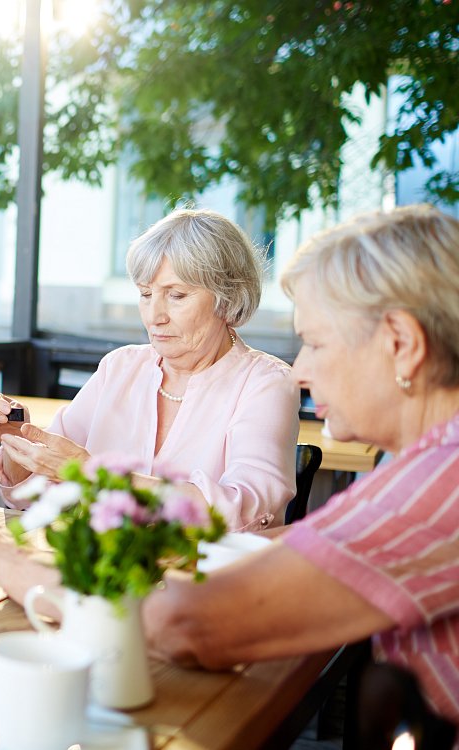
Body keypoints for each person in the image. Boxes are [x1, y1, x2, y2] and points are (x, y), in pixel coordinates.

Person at [142, 204, 459, 738]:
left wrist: (31, 578)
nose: (302, 370)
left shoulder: (441, 478)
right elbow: (325, 538)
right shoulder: (427, 460)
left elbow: (189, 625)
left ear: (401, 345)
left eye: (315, 341)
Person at [0, 207, 299, 602]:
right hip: (93, 588)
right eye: (146, 294)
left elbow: (247, 515)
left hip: (205, 600)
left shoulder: (265, 383)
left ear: (227, 298)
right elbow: (41, 493)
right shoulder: (121, 367)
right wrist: (19, 443)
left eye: (177, 295)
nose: (155, 315)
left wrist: (92, 475)